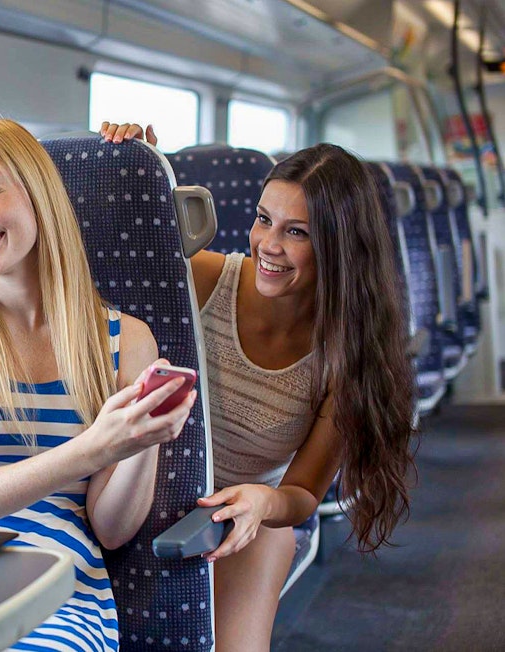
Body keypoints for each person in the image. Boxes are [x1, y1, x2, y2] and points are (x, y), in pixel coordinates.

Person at [100, 122, 415, 651]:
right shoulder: (203, 279)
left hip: (241, 514)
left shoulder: (344, 354)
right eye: (264, 220)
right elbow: (104, 259)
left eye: (297, 231)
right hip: (133, 490)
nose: (269, 245)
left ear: (339, 246)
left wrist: (263, 503)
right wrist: (132, 171)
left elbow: (302, 494)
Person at [0, 118, 197, 651]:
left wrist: (142, 442)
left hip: (59, 584)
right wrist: (94, 447)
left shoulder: (127, 341)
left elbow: (112, 529)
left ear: (38, 194)